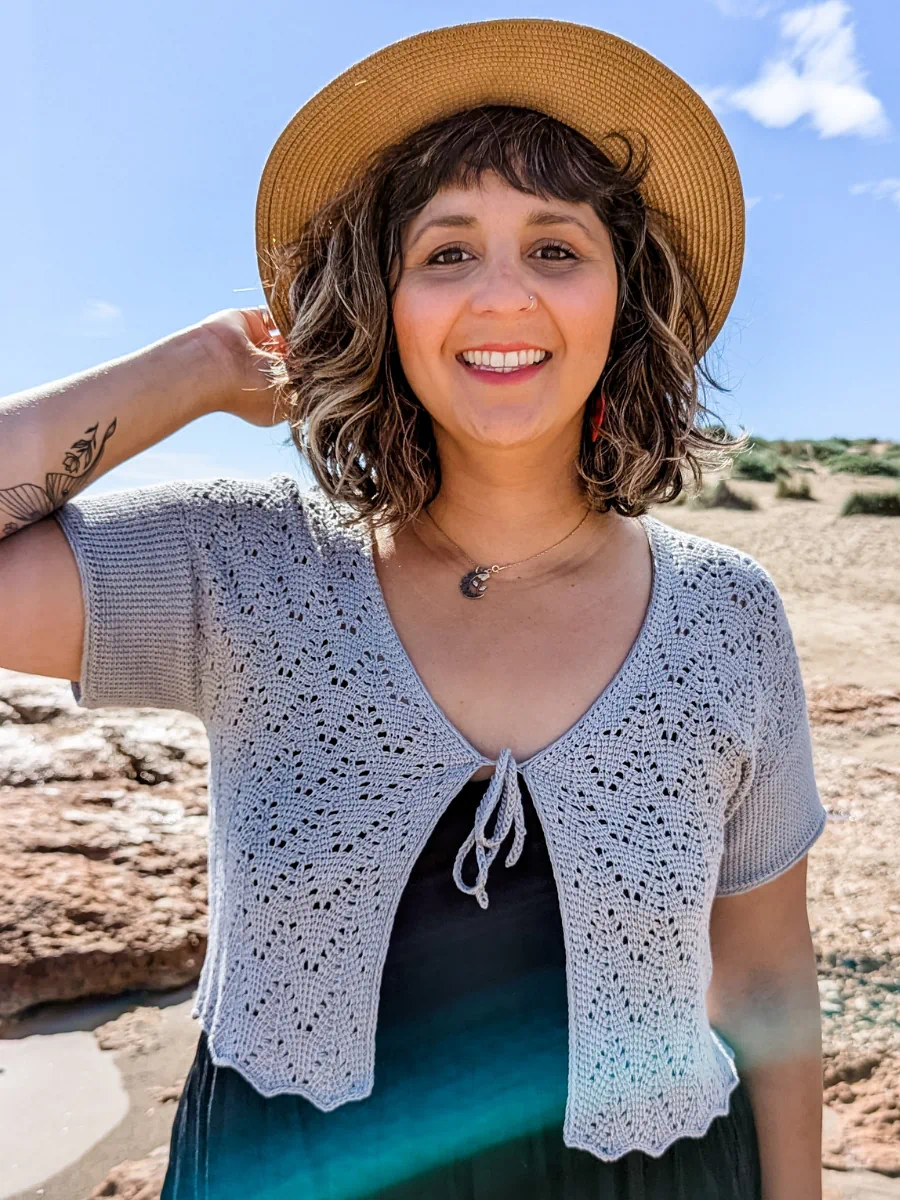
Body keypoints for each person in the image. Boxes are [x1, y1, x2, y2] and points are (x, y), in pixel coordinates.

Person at [0, 18, 828, 1200]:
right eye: (445, 253)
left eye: (556, 248)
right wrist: (197, 367)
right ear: (382, 299)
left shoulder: (726, 618)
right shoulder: (245, 569)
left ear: (623, 298)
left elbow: (766, 982)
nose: (502, 295)